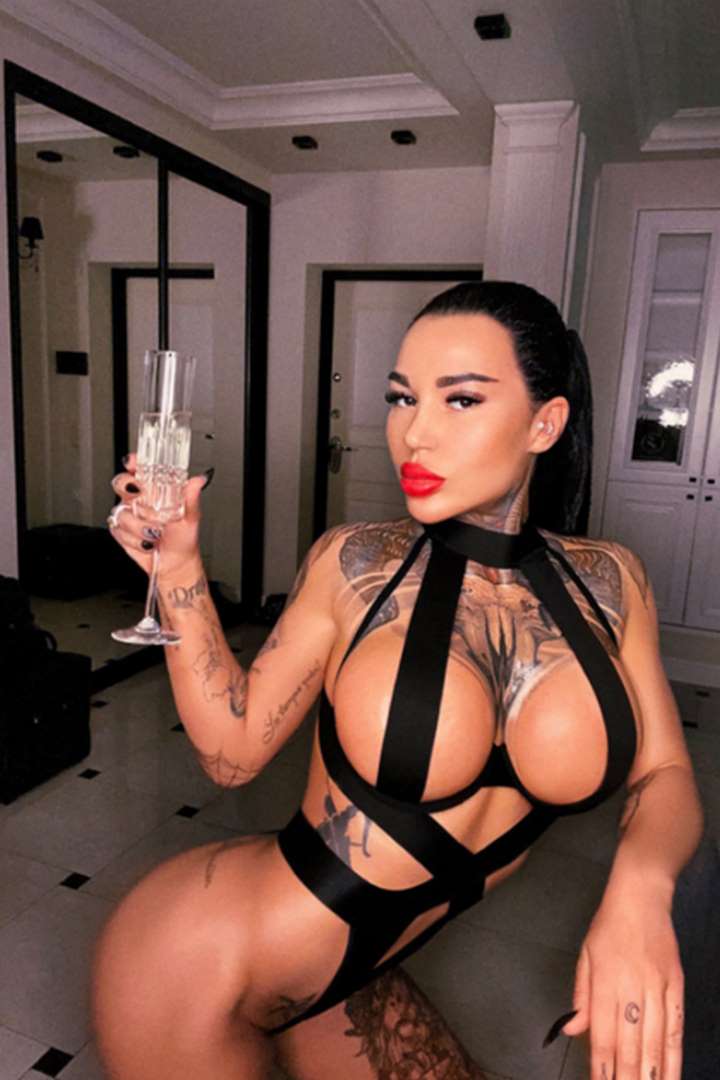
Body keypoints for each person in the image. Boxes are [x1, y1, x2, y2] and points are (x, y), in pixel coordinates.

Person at [93, 281, 703, 1080]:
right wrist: (177, 569)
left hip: (354, 979)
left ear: (545, 423)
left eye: (460, 400)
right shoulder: (354, 564)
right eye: (402, 397)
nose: (413, 433)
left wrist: (640, 890)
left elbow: (666, 771)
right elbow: (231, 756)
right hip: (197, 969)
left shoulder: (610, 582)